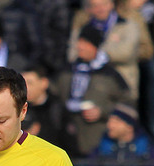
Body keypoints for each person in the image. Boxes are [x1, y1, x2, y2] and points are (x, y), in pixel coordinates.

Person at [55, 22, 132, 157]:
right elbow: (55, 95)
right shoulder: (66, 70)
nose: (80, 47)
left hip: (98, 138)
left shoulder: (109, 74)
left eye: (85, 43)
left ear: (95, 46)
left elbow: (127, 103)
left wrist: (102, 111)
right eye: (79, 42)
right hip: (67, 135)